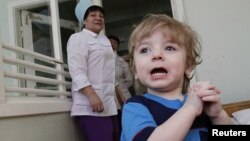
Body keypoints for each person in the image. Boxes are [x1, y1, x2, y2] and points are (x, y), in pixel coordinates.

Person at [121, 14, 233, 141]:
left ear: (188, 65)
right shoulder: (135, 106)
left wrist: (218, 116)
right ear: (135, 70)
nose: (156, 55)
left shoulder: (200, 106)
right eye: (145, 50)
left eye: (169, 48)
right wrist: (190, 109)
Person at [67, 1, 119, 141]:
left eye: (101, 15)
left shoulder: (105, 41)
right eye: (92, 15)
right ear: (84, 20)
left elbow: (110, 74)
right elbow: (77, 71)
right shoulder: (78, 38)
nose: (98, 18)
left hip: (109, 105)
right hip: (91, 106)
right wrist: (91, 95)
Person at [108, 35, 134, 138]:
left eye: (115, 43)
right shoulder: (101, 58)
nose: (112, 44)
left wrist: (121, 88)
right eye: (110, 42)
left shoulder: (121, 61)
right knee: (115, 124)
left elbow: (129, 80)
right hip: (109, 95)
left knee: (126, 121)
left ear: (117, 46)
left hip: (122, 94)